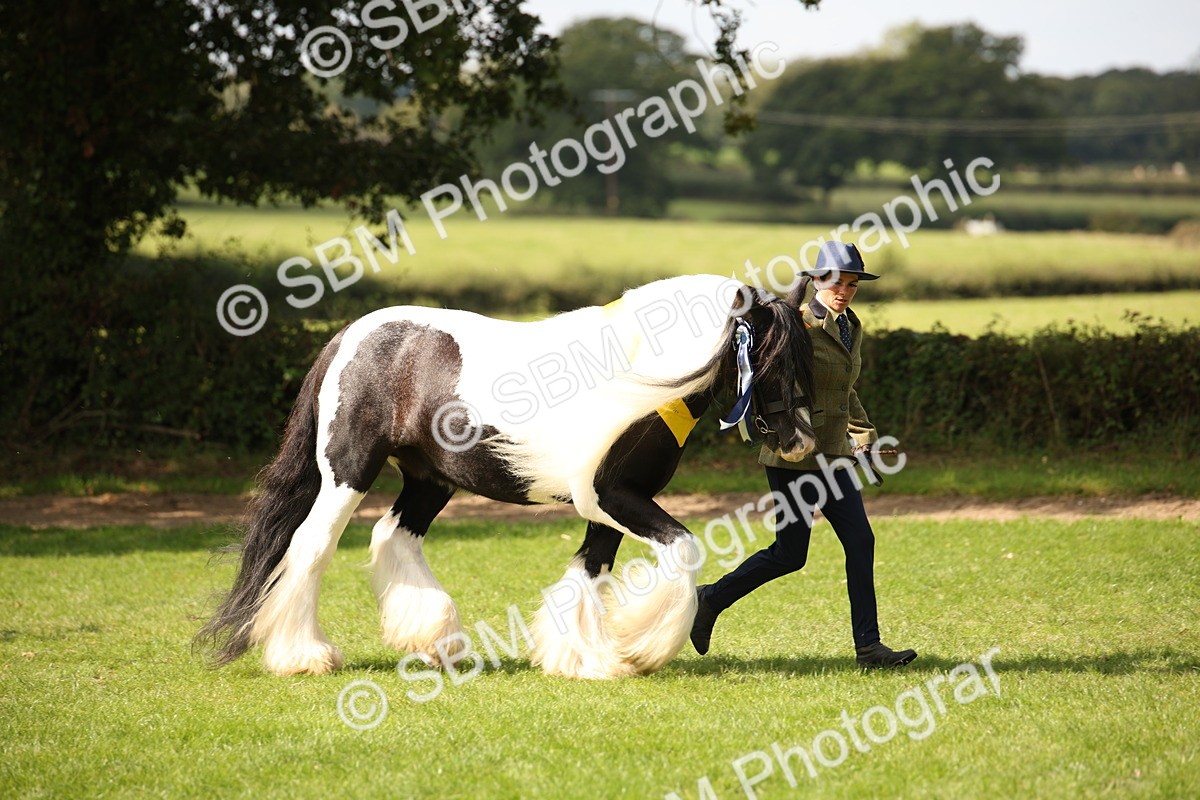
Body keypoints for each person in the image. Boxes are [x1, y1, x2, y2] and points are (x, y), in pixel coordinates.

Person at [690, 240, 916, 669]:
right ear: (816, 281)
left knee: (860, 542)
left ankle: (869, 648)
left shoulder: (852, 325)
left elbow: (844, 391)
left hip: (834, 458)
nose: (843, 290)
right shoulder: (796, 326)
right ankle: (709, 599)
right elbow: (773, 382)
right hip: (793, 457)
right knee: (790, 555)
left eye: (851, 283)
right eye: (835, 281)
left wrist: (863, 435)